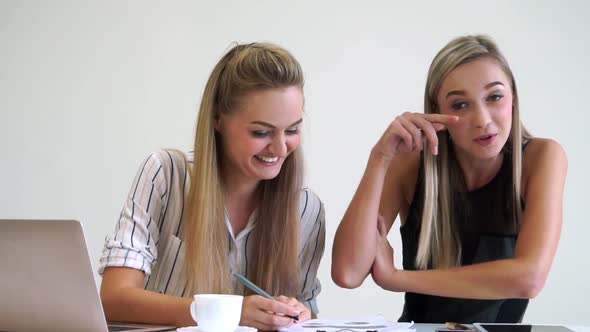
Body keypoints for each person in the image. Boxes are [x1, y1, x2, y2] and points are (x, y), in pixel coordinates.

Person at [331, 35, 567, 323]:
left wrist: (396, 278)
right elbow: (347, 272)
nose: (482, 119)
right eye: (460, 105)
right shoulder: (412, 164)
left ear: (513, 98)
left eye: (494, 97)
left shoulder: (541, 157)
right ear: (437, 111)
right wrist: (380, 157)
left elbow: (529, 278)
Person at [98, 42, 325, 330]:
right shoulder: (166, 174)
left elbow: (309, 311)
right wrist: (230, 312)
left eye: (292, 130)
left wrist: (296, 314)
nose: (280, 148)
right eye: (261, 132)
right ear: (218, 119)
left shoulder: (306, 208)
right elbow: (114, 298)